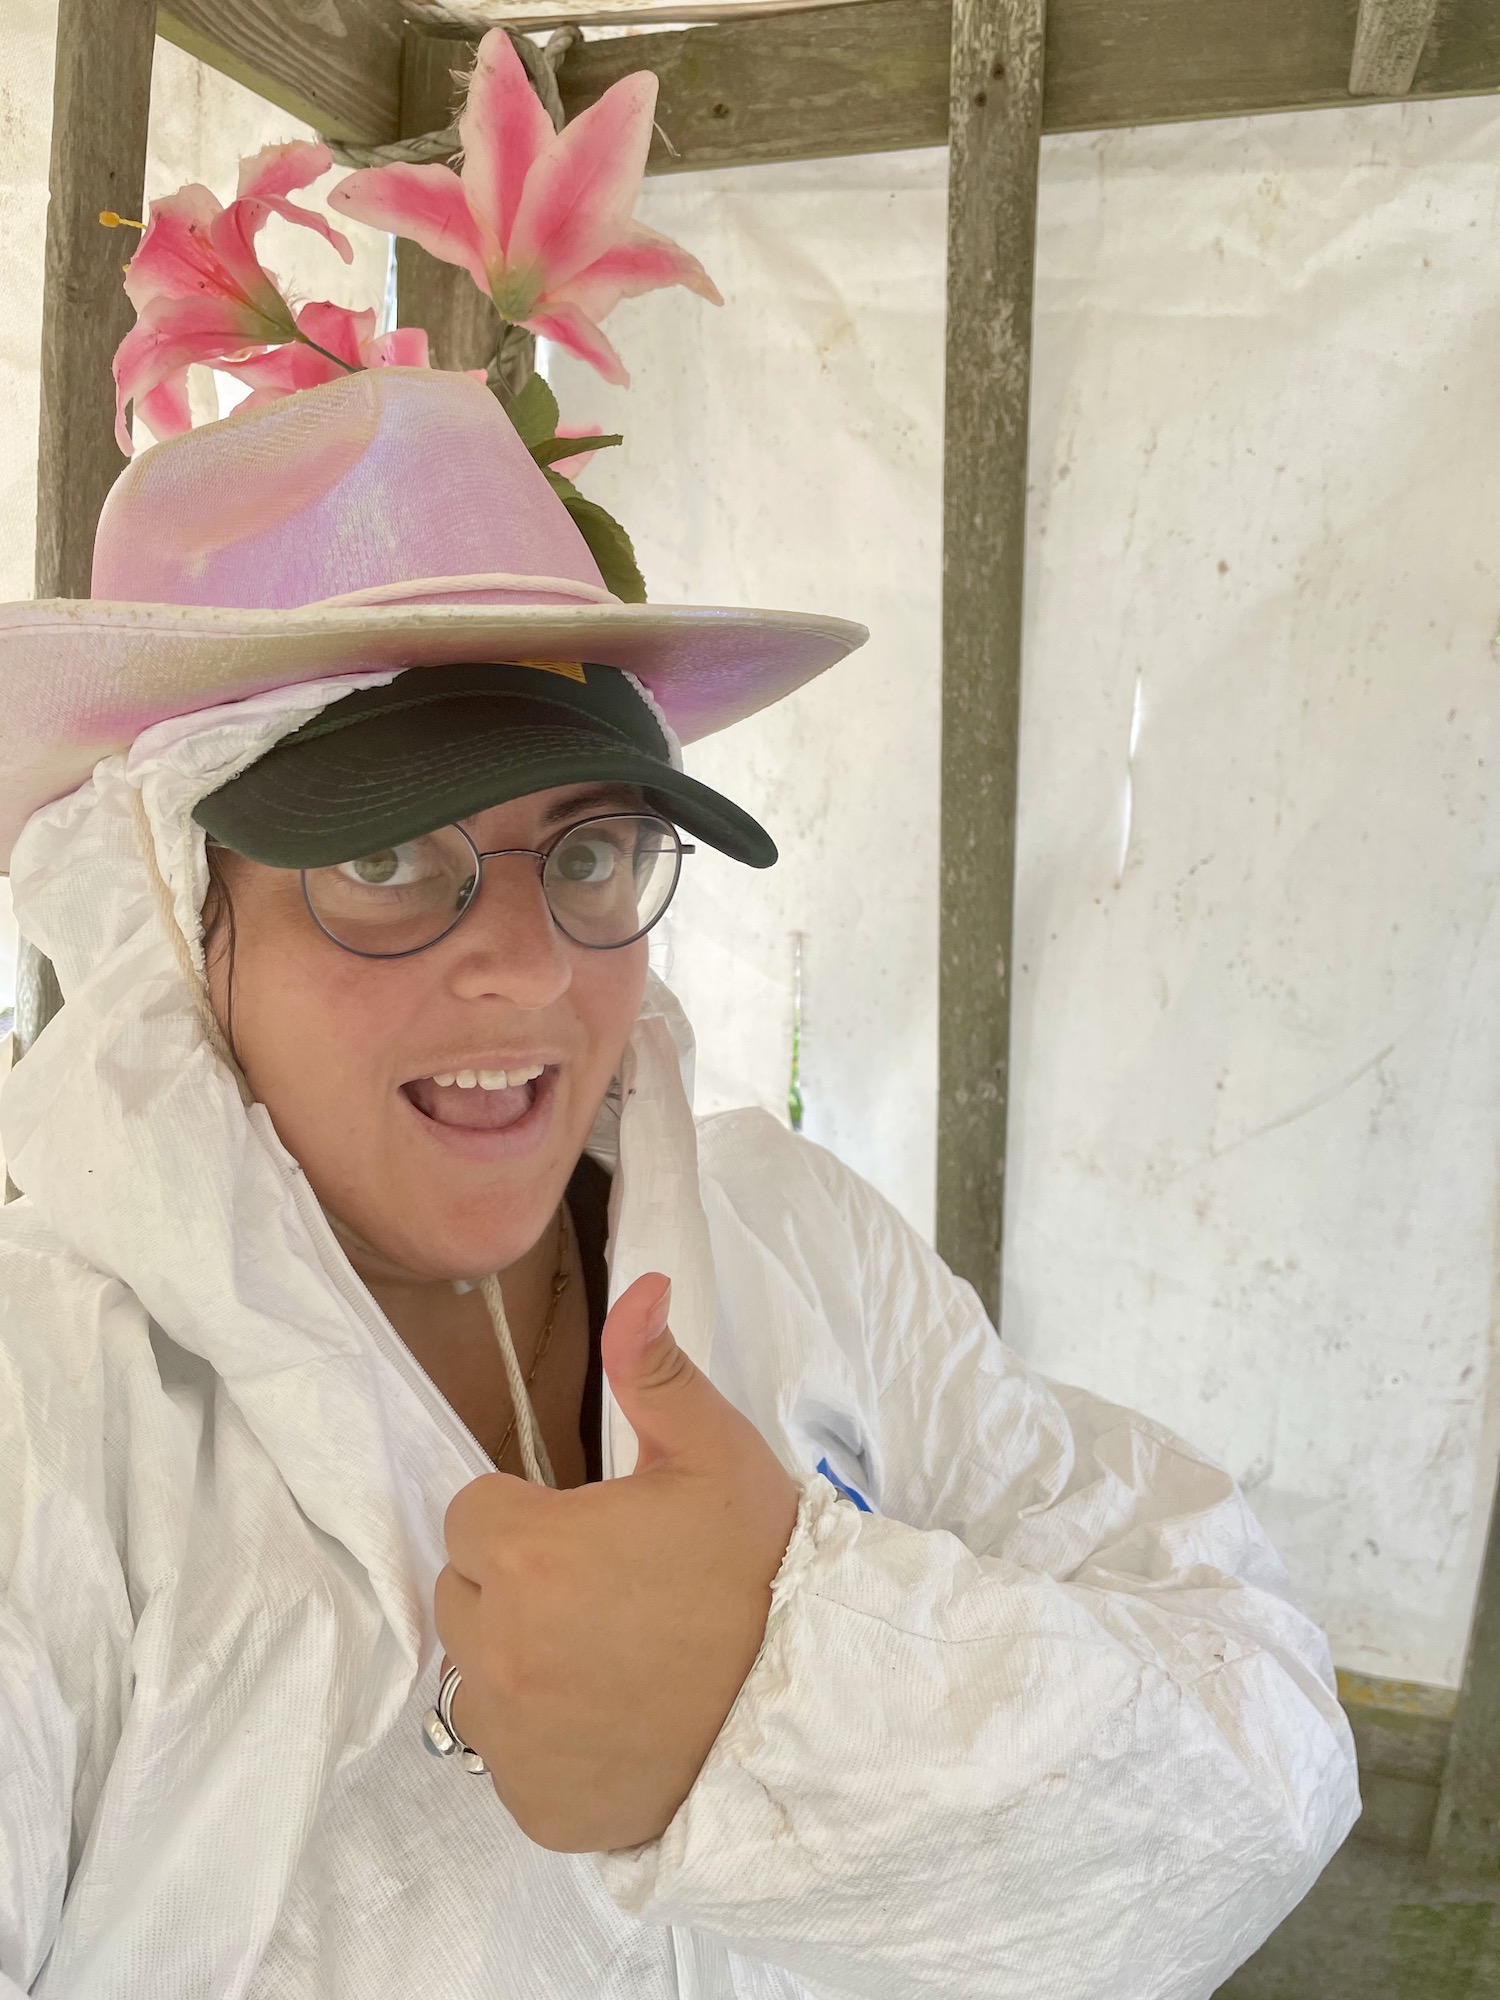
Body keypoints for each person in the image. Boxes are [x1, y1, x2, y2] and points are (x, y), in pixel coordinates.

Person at [0, 366, 1358, 2000]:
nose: (524, 966)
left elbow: (1261, 1745)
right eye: (380, 859)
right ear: (166, 919)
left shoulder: (800, 1245)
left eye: (585, 850)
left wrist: (801, 1691)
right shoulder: (50, 1407)